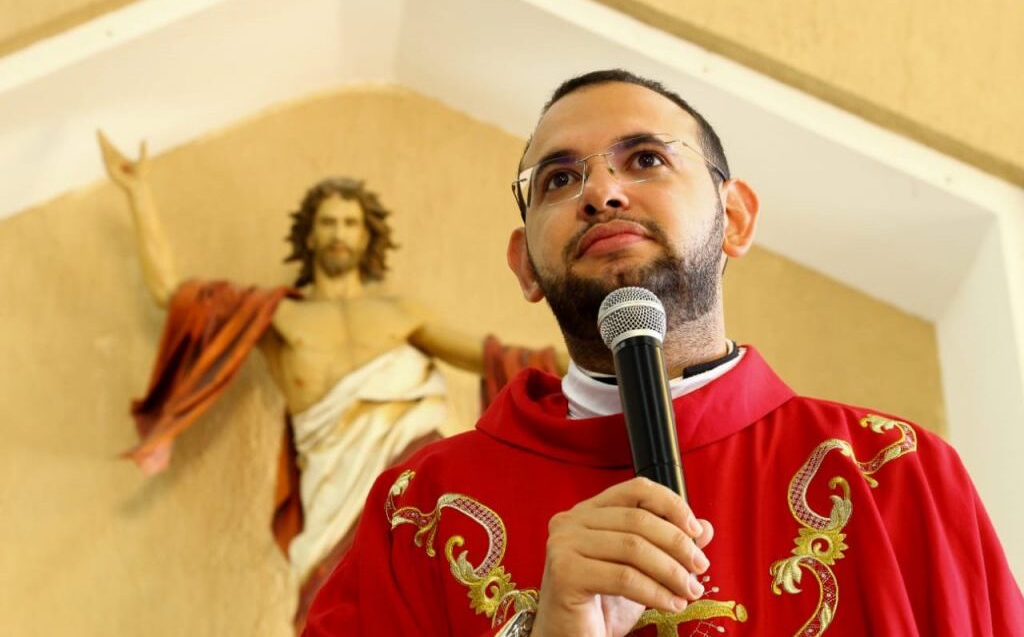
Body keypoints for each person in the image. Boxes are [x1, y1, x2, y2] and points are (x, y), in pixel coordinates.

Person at [301, 69, 1024, 636]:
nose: (602, 192)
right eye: (559, 179)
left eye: (644, 158)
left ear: (735, 217)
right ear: (524, 266)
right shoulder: (419, 510)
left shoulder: (895, 472)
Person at [97, 138, 561, 624]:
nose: (339, 232)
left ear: (366, 235)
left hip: (413, 490)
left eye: (350, 222)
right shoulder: (279, 317)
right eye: (328, 222)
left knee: (432, 606)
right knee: (338, 610)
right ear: (311, 234)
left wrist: (617, 356)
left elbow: (502, 358)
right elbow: (174, 295)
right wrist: (138, 193)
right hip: (331, 499)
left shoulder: (402, 315)